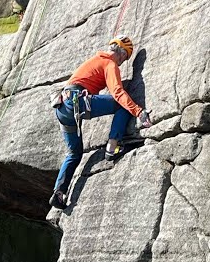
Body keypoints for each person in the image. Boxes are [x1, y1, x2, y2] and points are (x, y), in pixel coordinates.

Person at [49, 35, 152, 209]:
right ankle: (112, 148)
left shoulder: (96, 60)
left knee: (74, 153)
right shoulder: (109, 64)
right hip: (76, 102)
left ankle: (58, 193)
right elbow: (118, 93)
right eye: (125, 57)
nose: (122, 62)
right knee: (122, 106)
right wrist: (139, 112)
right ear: (120, 53)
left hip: (62, 108)